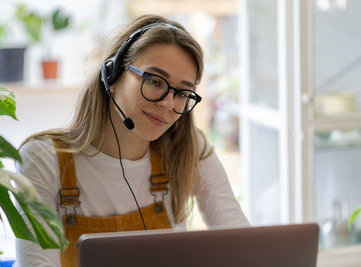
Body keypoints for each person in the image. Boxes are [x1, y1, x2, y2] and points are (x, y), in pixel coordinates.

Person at [15, 14, 249, 267]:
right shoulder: (44, 159)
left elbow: (243, 248)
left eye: (182, 92)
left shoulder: (188, 149)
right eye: (154, 81)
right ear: (112, 76)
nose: (168, 103)